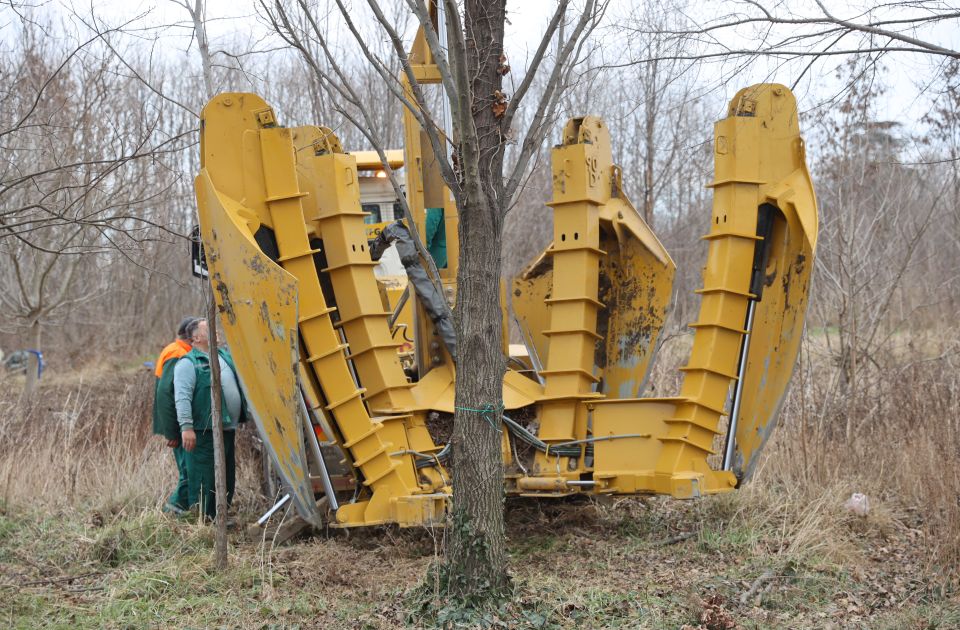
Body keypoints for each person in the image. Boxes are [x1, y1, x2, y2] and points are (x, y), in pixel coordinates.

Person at [173, 318, 248, 521]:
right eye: (209, 329)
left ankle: (220, 517)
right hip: (202, 431)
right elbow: (182, 397)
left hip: (227, 428)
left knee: (226, 476)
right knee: (204, 478)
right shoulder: (188, 363)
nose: (216, 331)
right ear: (196, 337)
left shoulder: (222, 355)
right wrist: (186, 427)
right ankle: (204, 520)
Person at [152, 317, 197, 515]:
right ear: (191, 337)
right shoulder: (177, 354)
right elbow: (165, 394)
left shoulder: (179, 351)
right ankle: (174, 508)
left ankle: (183, 508)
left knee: (188, 468)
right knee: (188, 470)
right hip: (178, 426)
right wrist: (172, 432)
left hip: (178, 424)